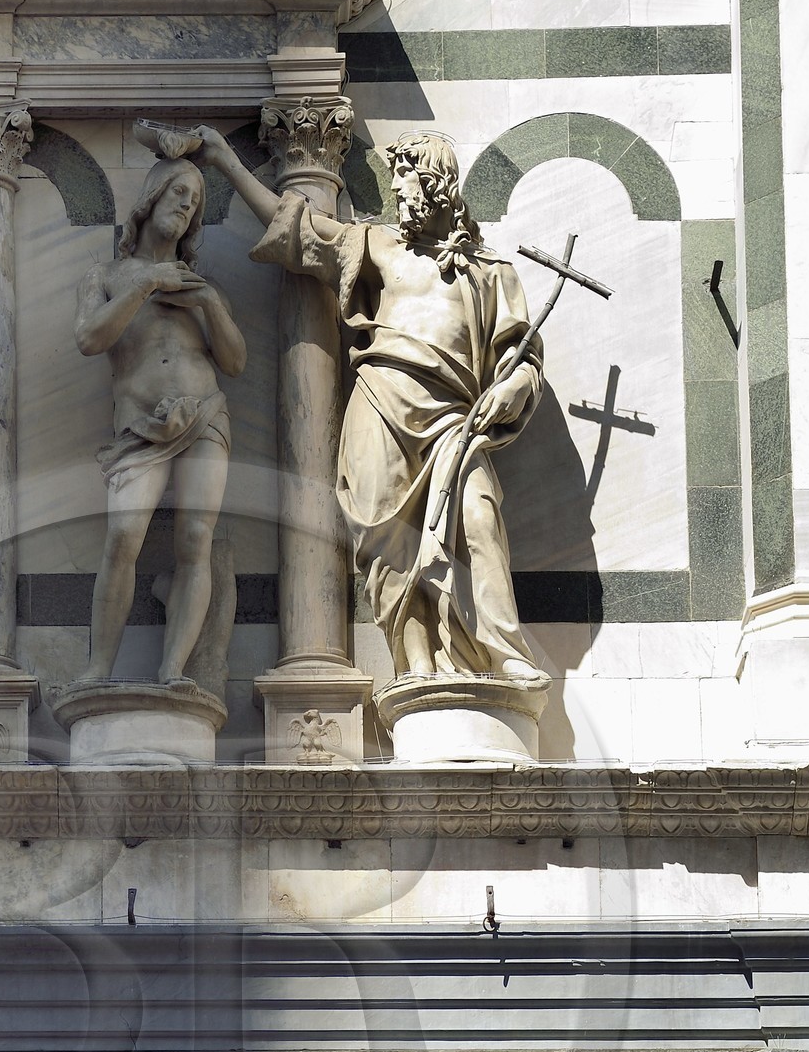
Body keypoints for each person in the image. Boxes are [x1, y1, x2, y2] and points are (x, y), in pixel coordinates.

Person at [194, 125, 548, 692]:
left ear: (436, 185)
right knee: (388, 543)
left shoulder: (488, 271)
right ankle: (417, 669)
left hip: (454, 419)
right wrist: (226, 160)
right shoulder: (377, 246)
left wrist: (516, 386)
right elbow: (298, 228)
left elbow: (520, 355)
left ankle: (503, 652)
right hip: (380, 406)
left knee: (479, 519)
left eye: (405, 178)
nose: (398, 192)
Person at [71, 145, 246, 690]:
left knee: (196, 539)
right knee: (123, 536)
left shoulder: (200, 284)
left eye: (195, 202)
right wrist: (146, 284)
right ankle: (99, 669)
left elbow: (235, 361)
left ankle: (173, 668)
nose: (186, 207)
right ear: (150, 198)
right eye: (178, 193)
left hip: (205, 415)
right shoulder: (107, 274)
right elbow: (89, 339)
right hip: (139, 427)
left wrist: (209, 303)